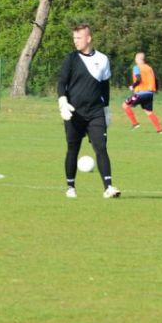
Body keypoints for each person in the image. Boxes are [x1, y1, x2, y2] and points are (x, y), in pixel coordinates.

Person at [57, 24, 121, 198]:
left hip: (95, 112)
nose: (75, 41)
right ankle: (71, 187)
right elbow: (62, 82)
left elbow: (105, 86)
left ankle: (108, 187)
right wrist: (62, 101)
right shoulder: (71, 59)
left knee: (101, 147)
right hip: (74, 112)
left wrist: (106, 109)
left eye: (79, 38)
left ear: (89, 38)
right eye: (74, 38)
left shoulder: (103, 59)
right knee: (73, 148)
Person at [122, 52, 162, 133]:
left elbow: (138, 79)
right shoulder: (149, 68)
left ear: (138, 59)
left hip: (140, 94)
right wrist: (156, 90)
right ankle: (159, 130)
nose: (135, 60)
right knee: (148, 111)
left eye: (135, 58)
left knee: (125, 105)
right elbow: (156, 80)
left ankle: (135, 123)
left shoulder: (136, 67)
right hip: (149, 93)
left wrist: (132, 86)